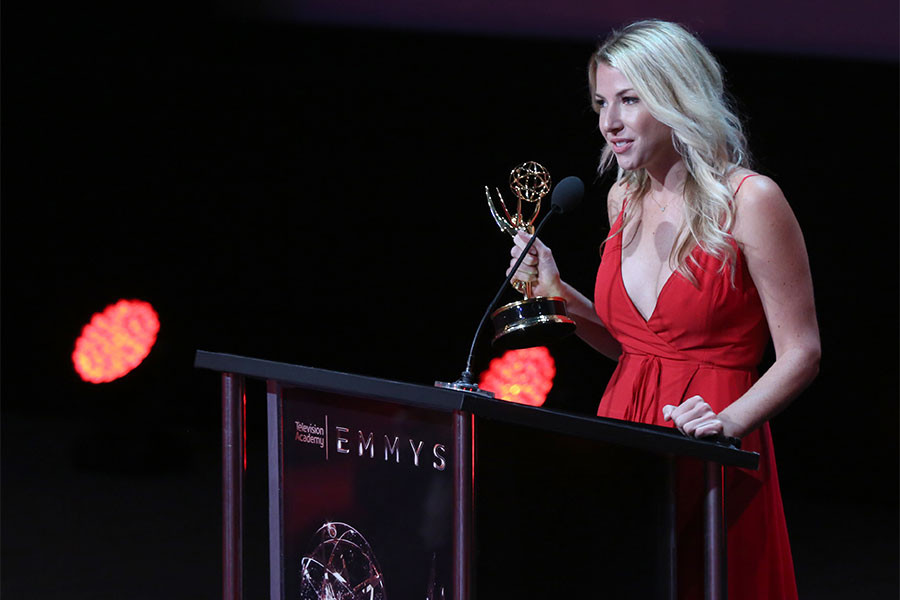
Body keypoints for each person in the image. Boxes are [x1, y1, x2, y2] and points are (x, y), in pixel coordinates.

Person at [508, 19, 820, 600]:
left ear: (678, 97)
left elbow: (802, 352)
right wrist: (557, 291)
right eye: (602, 102)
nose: (610, 123)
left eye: (630, 100)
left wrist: (729, 424)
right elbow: (634, 346)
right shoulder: (622, 197)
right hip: (622, 430)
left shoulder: (750, 200)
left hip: (713, 437)